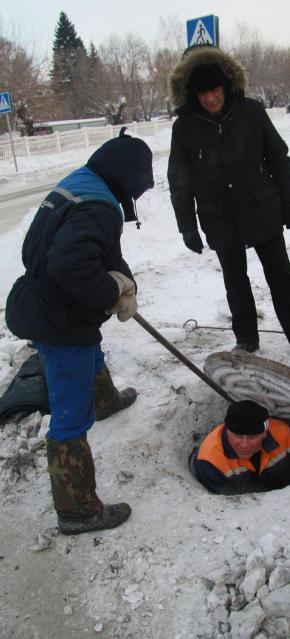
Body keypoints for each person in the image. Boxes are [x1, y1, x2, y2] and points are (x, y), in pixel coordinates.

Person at [5, 128, 154, 535]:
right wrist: (109, 292)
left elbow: (100, 249)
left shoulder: (83, 182)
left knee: (90, 349)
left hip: (47, 303)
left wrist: (124, 279)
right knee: (69, 415)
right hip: (57, 317)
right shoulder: (99, 206)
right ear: (127, 178)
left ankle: (103, 399)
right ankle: (78, 510)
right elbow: (70, 264)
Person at [167, 46, 290, 358]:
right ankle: (246, 339)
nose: (210, 98)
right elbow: (179, 182)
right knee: (235, 283)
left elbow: (278, 157)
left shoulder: (251, 111)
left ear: (226, 86)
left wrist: (289, 199)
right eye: (203, 93)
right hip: (219, 216)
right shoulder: (184, 127)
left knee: (281, 276)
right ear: (192, 94)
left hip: (262, 208)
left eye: (215, 90)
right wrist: (187, 227)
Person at [193, 400, 290, 495]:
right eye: (237, 436)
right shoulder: (210, 462)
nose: (244, 444)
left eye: (252, 437)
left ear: (265, 433)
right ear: (227, 431)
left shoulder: (282, 433)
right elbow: (229, 506)